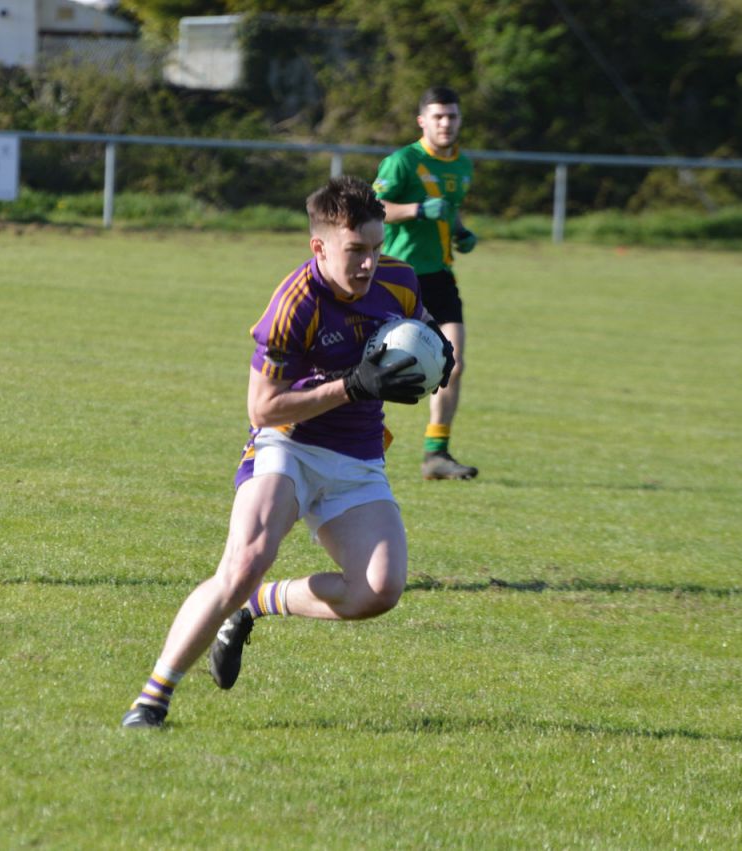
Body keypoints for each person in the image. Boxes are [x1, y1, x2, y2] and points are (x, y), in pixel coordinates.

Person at [121, 176, 453, 729]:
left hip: (358, 459)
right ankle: (152, 700)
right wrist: (354, 385)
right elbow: (264, 409)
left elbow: (417, 329)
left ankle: (259, 605)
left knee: (378, 592)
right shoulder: (294, 304)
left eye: (376, 247)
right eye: (356, 251)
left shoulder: (398, 279)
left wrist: (434, 355)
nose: (369, 262)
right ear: (319, 247)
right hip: (289, 446)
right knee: (243, 563)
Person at [373, 85, 479, 480]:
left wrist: (460, 231)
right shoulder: (403, 162)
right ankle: (357, 436)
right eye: (437, 116)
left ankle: (437, 453)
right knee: (377, 363)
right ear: (422, 120)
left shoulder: (462, 166)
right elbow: (373, 207)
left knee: (455, 363)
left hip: (440, 276)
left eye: (451, 116)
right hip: (397, 275)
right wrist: (416, 209)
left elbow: (449, 212)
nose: (446, 123)